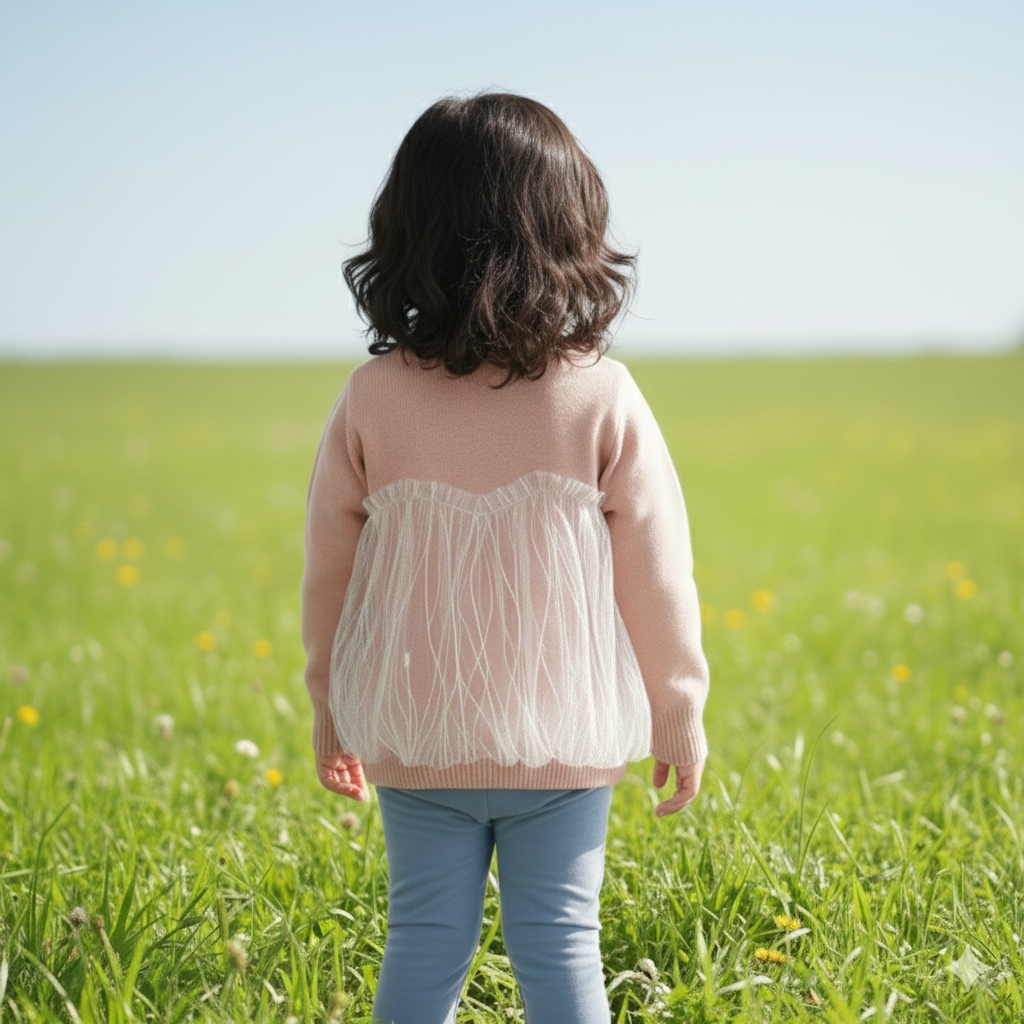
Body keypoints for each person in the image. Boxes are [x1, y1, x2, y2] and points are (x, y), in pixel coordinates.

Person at [301, 92, 709, 1024]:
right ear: (569, 232)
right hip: (563, 738)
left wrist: (332, 707)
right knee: (563, 945)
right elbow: (658, 568)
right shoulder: (602, 396)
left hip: (418, 736)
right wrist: (678, 712)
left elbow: (332, 572)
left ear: (406, 232)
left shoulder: (373, 398)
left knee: (422, 939)